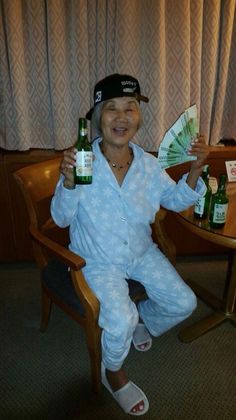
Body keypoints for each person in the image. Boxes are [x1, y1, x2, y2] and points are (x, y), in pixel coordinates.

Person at [51, 73, 209, 416]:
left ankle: (145, 320)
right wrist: (68, 184)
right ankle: (113, 372)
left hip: (141, 252)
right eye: (111, 108)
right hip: (98, 260)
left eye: (131, 108)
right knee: (119, 319)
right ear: (97, 117)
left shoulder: (149, 165)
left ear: (138, 116)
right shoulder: (81, 163)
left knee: (184, 302)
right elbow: (61, 219)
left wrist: (195, 170)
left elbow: (174, 199)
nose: (122, 117)